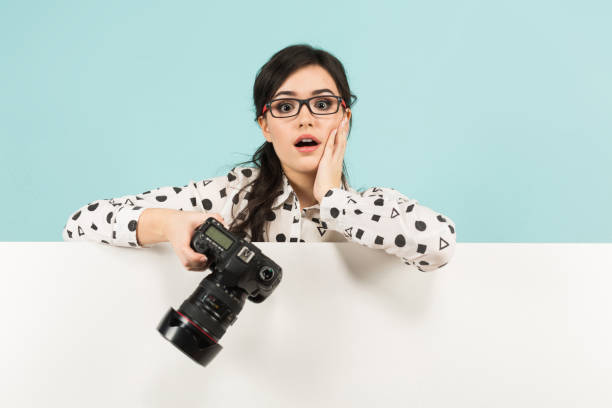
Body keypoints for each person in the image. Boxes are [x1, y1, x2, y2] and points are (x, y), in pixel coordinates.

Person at [62, 44, 457, 273]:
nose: (305, 118)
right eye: (286, 107)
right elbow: (79, 224)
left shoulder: (377, 208)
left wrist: (334, 199)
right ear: (266, 126)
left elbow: (439, 244)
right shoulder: (232, 198)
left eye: (322, 104)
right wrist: (170, 224)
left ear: (344, 118)